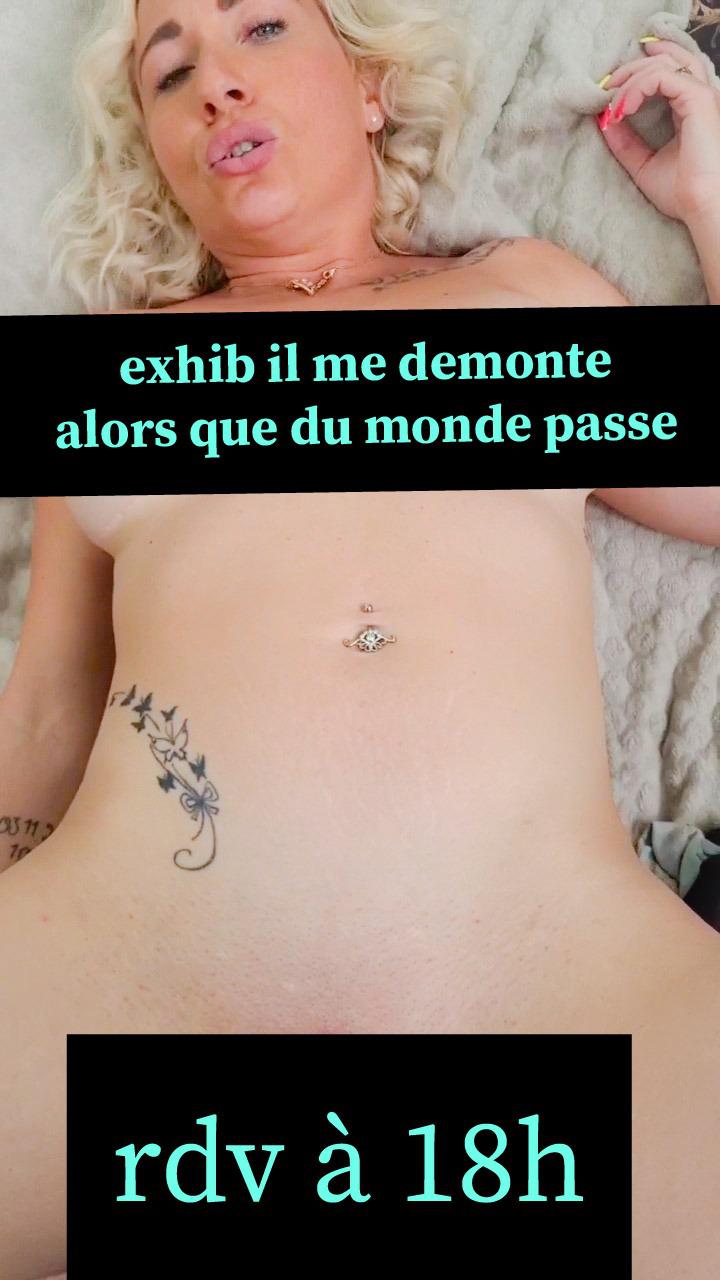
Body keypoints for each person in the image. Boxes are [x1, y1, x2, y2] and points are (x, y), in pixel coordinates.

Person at [3, 2, 720, 1276]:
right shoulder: (110, 369)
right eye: (170, 73)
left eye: (263, 29)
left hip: (559, 982)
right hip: (126, 979)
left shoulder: (524, 294)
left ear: (372, 88)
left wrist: (709, 201)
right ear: (158, 153)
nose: (217, 83)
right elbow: (50, 706)